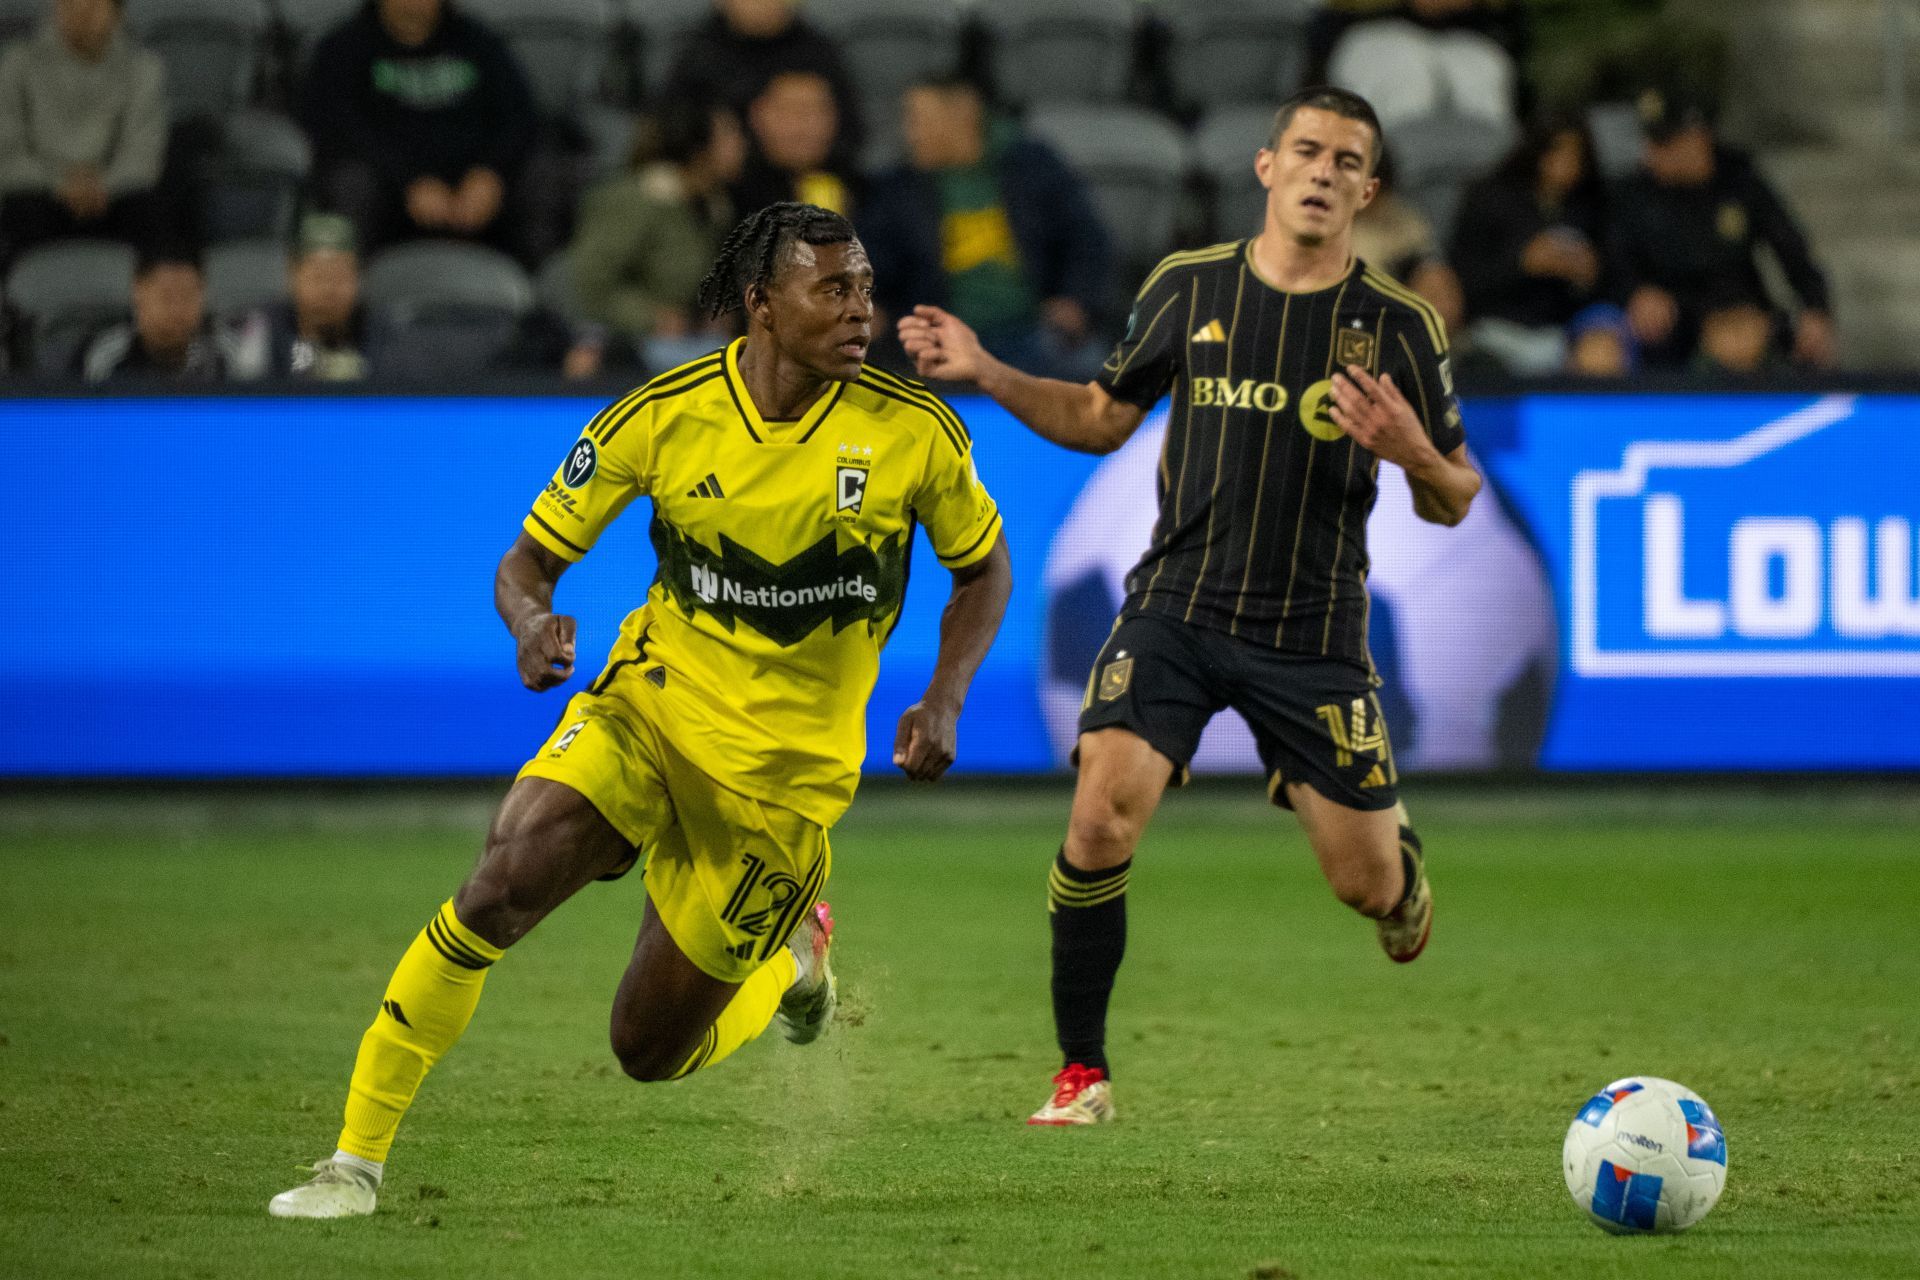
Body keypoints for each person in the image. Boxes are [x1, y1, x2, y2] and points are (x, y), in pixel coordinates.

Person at [267, 202, 1012, 1218]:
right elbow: (528, 559)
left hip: (782, 782)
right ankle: (351, 1164)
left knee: (647, 1049)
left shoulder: (912, 432)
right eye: (832, 289)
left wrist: (944, 695)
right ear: (761, 302)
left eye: (866, 288)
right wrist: (531, 622)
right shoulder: (661, 414)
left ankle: (797, 958)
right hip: (648, 708)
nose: (860, 312)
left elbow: (984, 571)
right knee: (501, 879)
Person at [899, 87, 1481, 1126]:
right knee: (1100, 813)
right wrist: (986, 368)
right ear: (1266, 167)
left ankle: (1401, 877)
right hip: (1177, 605)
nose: (1323, 171)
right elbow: (1095, 417)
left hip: (1311, 636)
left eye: (1348, 161)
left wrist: (1414, 453)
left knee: (1362, 885)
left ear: (1368, 189)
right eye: (1306, 150)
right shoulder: (1189, 286)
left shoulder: (1396, 326)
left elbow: (1455, 497)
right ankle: (1082, 1072)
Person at [862, 75, 1111, 382]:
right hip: (941, 337)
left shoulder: (1030, 165)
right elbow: (875, 259)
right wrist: (876, 306)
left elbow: (1086, 238)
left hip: (1031, 331)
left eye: (920, 119)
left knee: (1095, 379)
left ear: (963, 115)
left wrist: (1077, 300)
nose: (910, 133)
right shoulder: (899, 186)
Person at [1607, 88, 1835, 374]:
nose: (1651, 155)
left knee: (1771, 344)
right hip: (1672, 315)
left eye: (1665, 143)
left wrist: (1816, 308)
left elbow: (1792, 249)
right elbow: (1616, 258)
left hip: (1742, 307)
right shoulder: (1635, 192)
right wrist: (1636, 293)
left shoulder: (1740, 181)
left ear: (1698, 139)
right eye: (1650, 143)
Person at [301, 0, 535, 259]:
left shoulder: (476, 41)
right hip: (389, 188)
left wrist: (490, 174)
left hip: (474, 190)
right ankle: (349, 289)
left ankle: (536, 290)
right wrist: (408, 182)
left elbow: (520, 116)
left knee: (539, 177)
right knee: (351, 184)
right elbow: (337, 131)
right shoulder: (344, 48)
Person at [568, 100, 745, 372]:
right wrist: (650, 318)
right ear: (698, 149)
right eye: (729, 135)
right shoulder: (636, 200)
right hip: (625, 343)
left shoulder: (713, 205)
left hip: (687, 338)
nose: (742, 144)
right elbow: (588, 283)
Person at [1451, 119, 1629, 376]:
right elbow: (1463, 279)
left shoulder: (1595, 206)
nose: (1568, 161)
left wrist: (1590, 274)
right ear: (1537, 150)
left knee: (1600, 350)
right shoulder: (1488, 198)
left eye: (1577, 153)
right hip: (1495, 329)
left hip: (1564, 328)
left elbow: (1617, 281)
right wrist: (1522, 264)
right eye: (1559, 150)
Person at [0, 0, 166, 262]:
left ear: (117, 14)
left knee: (148, 210)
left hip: (112, 192)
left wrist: (102, 186)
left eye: (93, 6)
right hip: (41, 189)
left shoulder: (144, 69)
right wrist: (61, 185)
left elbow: (142, 157)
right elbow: (7, 155)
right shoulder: (17, 64)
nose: (80, 14)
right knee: (22, 209)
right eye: (70, 5)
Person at [662, 0, 863, 174]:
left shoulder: (818, 51)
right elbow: (672, 128)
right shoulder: (699, 54)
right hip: (724, 180)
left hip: (808, 177)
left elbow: (850, 130)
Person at [229, 213, 372, 381]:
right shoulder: (260, 329)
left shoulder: (381, 332)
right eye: (319, 277)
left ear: (359, 277)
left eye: (340, 277)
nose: (329, 290)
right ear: (292, 274)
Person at [81, 248, 239, 382]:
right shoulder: (108, 356)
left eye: (187, 296)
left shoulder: (227, 353)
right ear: (139, 292)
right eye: (166, 296)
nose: (177, 310)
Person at [732, 70, 856, 220]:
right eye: (788, 109)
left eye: (816, 109)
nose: (804, 123)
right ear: (757, 114)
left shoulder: (866, 194)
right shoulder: (730, 196)